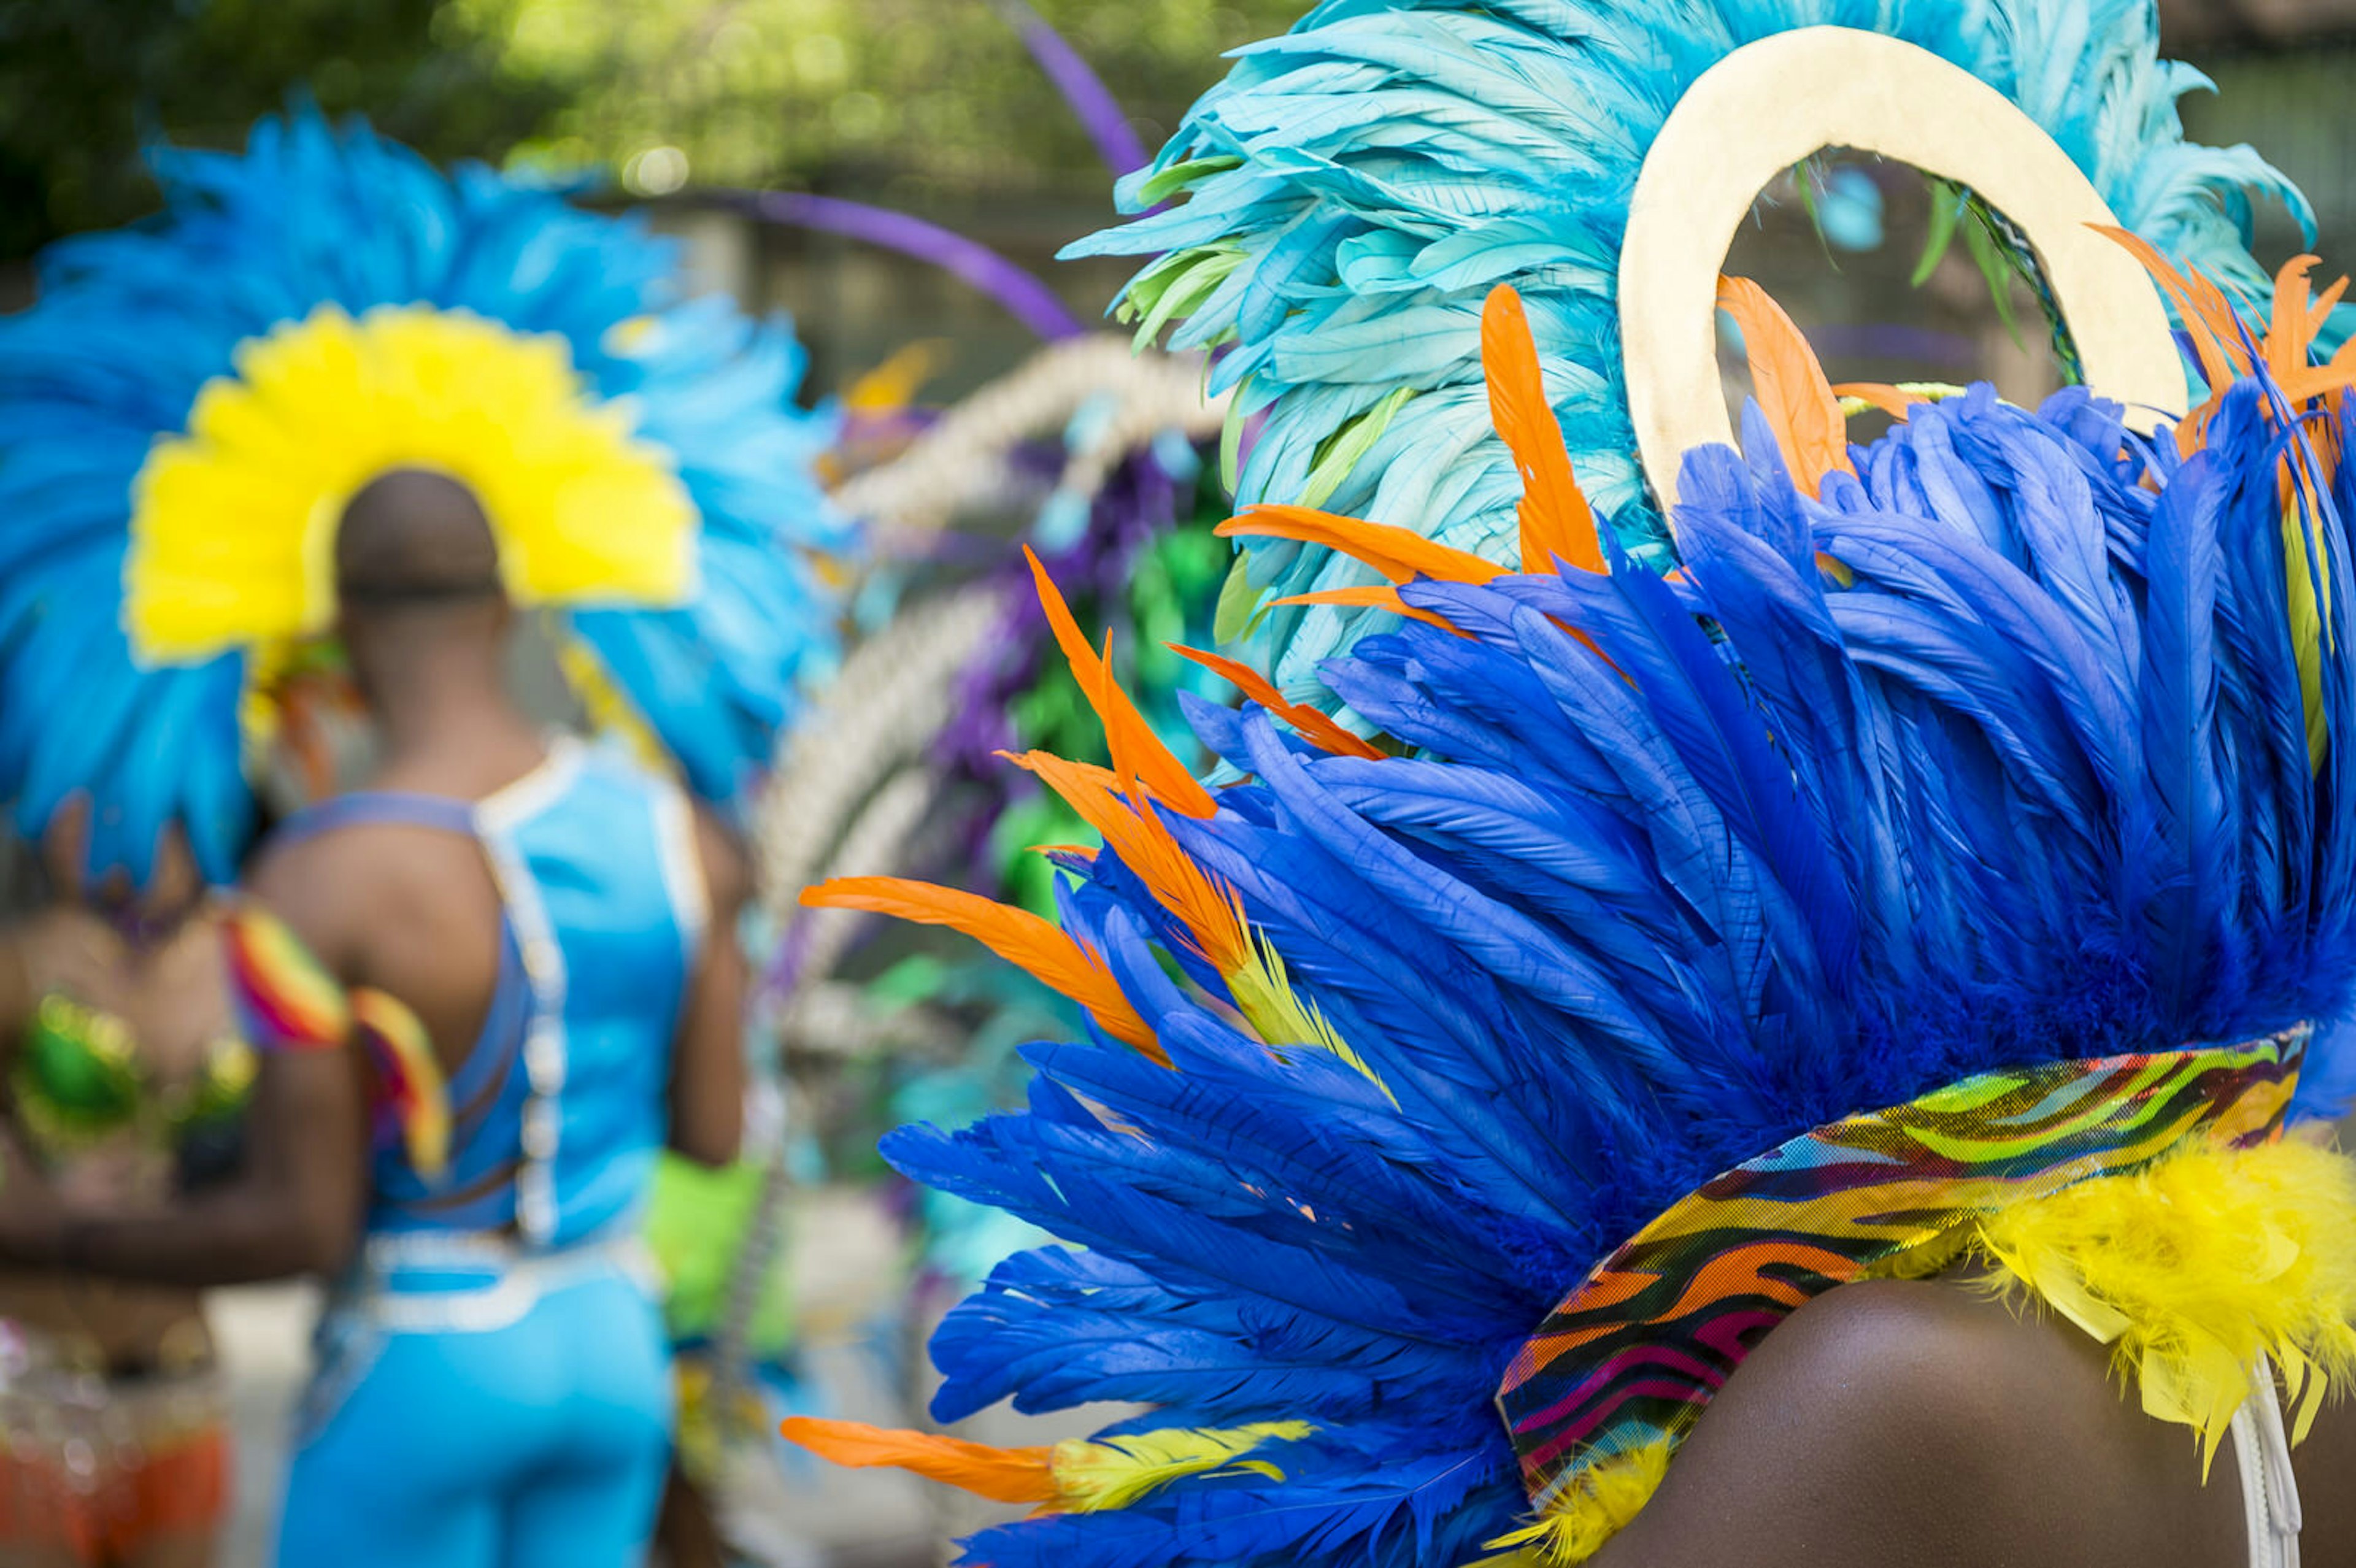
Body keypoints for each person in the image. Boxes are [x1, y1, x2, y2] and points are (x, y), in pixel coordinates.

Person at [0, 112, 845, 1567]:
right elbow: (713, 1132)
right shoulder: (681, 836)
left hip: (426, 1358)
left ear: (331, 624)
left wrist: (54, 1240)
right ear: (513, 600)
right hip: (611, 1344)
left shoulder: (320, 878)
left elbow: (301, 1222)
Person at [0, 820, 244, 1568]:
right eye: (74, 812)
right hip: (30, 1393)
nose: (102, 840)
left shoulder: (251, 958)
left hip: (180, 1388)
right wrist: (38, 1195)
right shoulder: (25, 960)